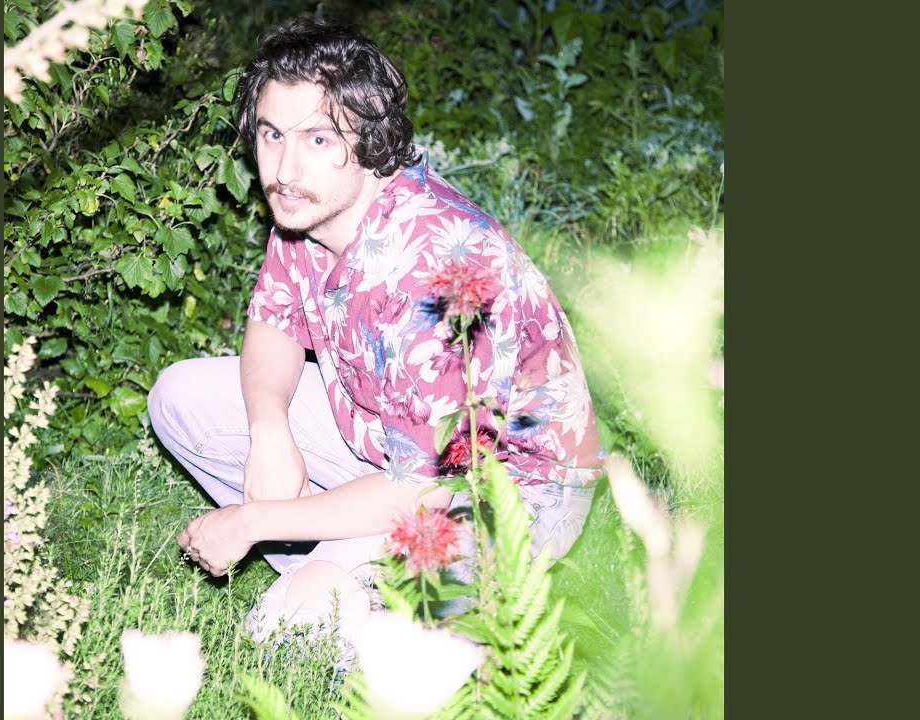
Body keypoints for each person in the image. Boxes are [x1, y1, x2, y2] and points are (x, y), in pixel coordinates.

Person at [147, 17, 605, 644]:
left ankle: (436, 614)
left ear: (368, 139)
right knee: (181, 397)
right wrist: (269, 428)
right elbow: (274, 323)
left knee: (288, 630)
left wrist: (254, 521)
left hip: (506, 495)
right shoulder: (309, 211)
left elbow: (424, 491)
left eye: (317, 140)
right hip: (390, 446)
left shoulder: (438, 270)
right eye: (272, 134)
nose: (285, 168)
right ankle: (348, 567)